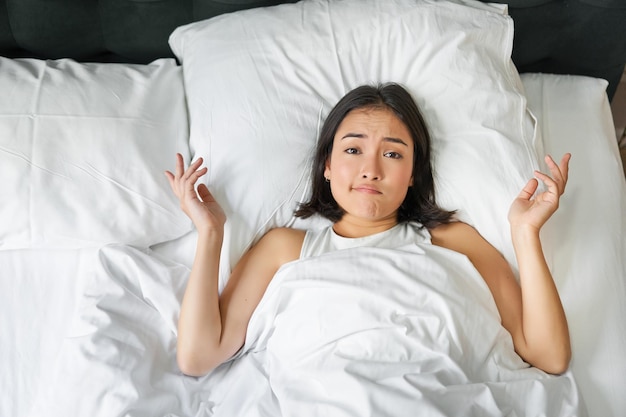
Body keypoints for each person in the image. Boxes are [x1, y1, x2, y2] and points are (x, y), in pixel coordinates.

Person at [165, 83, 571, 378]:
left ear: (413, 174)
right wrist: (211, 234)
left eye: (393, 153)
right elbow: (198, 357)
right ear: (327, 165)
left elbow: (548, 356)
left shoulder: (455, 240)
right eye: (353, 149)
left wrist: (525, 233)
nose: (371, 169)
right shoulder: (283, 248)